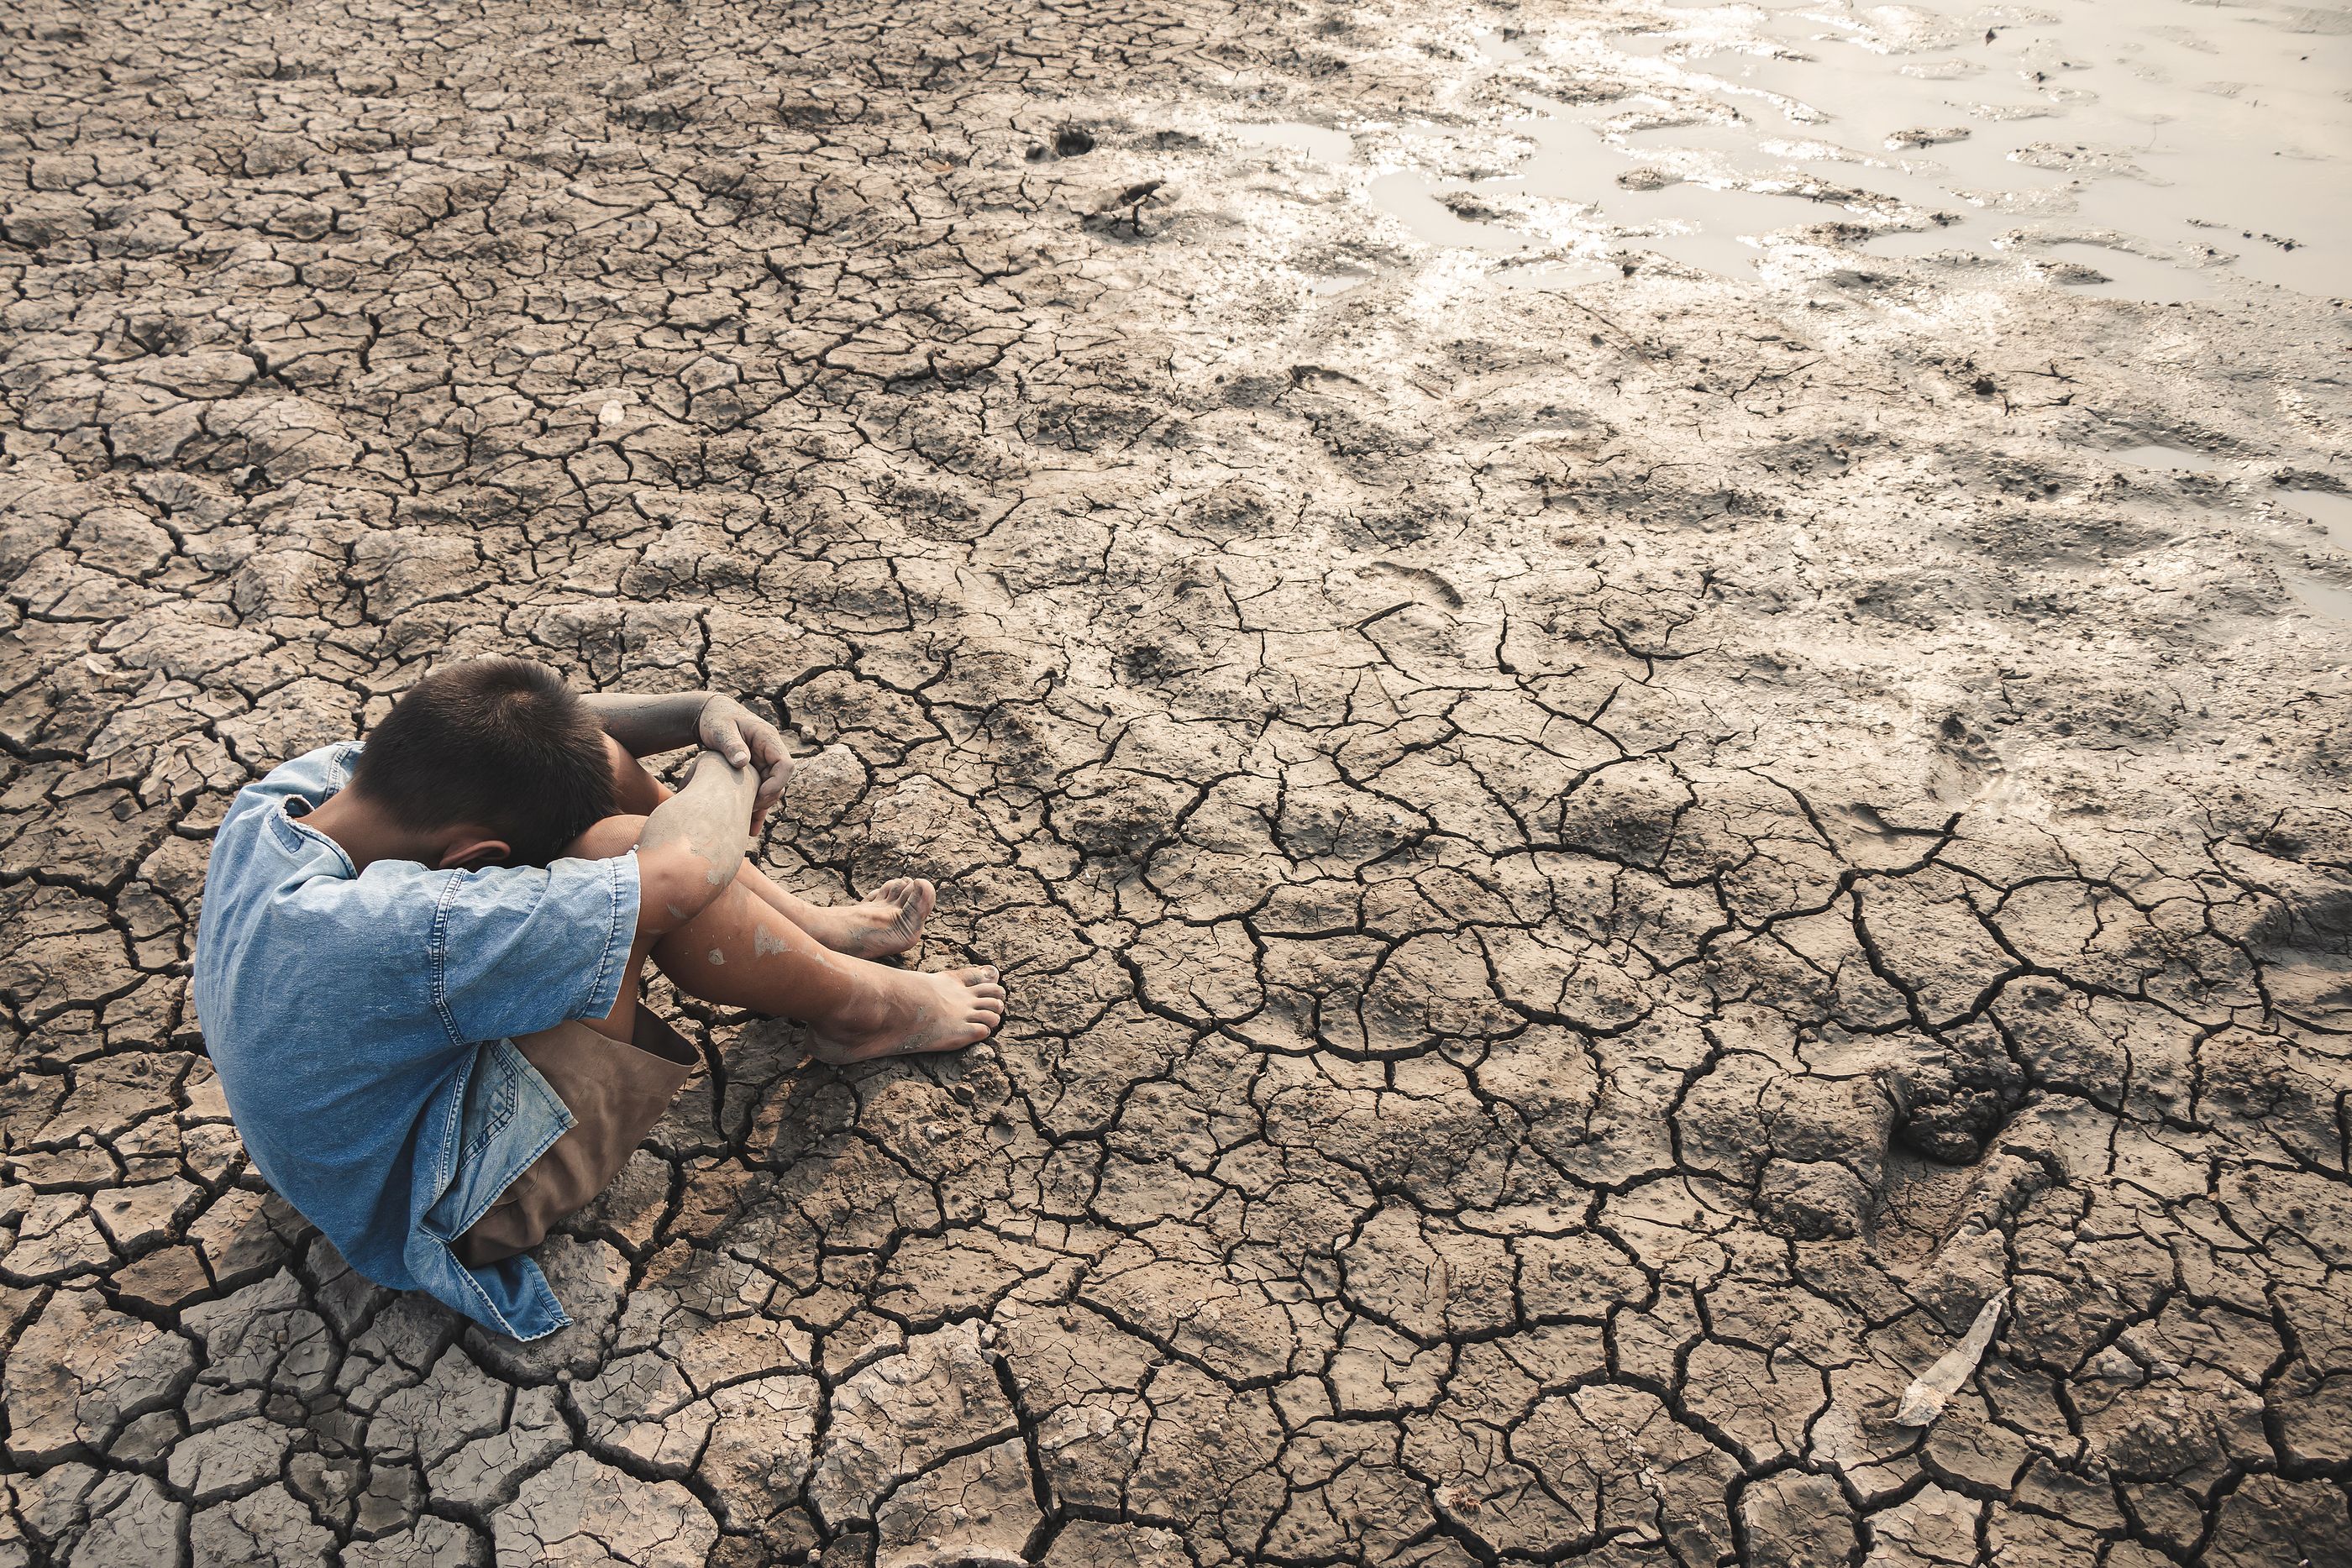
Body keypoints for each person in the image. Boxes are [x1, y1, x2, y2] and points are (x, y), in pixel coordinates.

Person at [190, 658, 1004, 1339]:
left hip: (340, 1142)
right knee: (628, 851)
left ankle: (811, 929)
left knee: (593, 769)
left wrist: (701, 711)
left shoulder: (289, 799)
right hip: (435, 1202)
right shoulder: (410, 928)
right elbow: (679, 877)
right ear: (476, 858)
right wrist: (730, 759)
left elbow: (540, 730)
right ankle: (863, 1009)